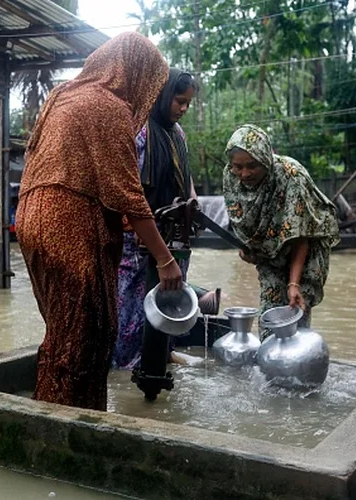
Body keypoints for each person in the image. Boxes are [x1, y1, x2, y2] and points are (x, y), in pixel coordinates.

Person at [15, 32, 182, 411]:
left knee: (63, 330)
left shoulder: (62, 94)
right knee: (89, 334)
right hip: (67, 221)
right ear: (135, 73)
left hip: (32, 215)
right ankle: (71, 427)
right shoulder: (108, 106)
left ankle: (51, 410)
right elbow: (128, 192)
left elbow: (53, 160)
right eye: (150, 84)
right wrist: (165, 258)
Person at [113, 69, 219, 370]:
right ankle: (127, 364)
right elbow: (129, 189)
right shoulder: (140, 131)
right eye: (179, 100)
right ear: (162, 95)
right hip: (140, 237)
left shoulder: (178, 134)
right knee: (132, 302)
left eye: (188, 103)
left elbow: (185, 177)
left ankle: (164, 353)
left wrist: (193, 200)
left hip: (175, 232)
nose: (183, 108)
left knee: (171, 297)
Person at [222, 125, 340, 336]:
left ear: (266, 158)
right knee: (271, 311)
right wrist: (249, 248)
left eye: (252, 166)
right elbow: (244, 221)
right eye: (238, 166)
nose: (244, 173)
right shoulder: (231, 178)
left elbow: (300, 235)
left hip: (306, 244)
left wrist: (293, 283)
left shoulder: (291, 176)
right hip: (268, 248)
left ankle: (297, 363)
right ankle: (269, 358)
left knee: (295, 309)